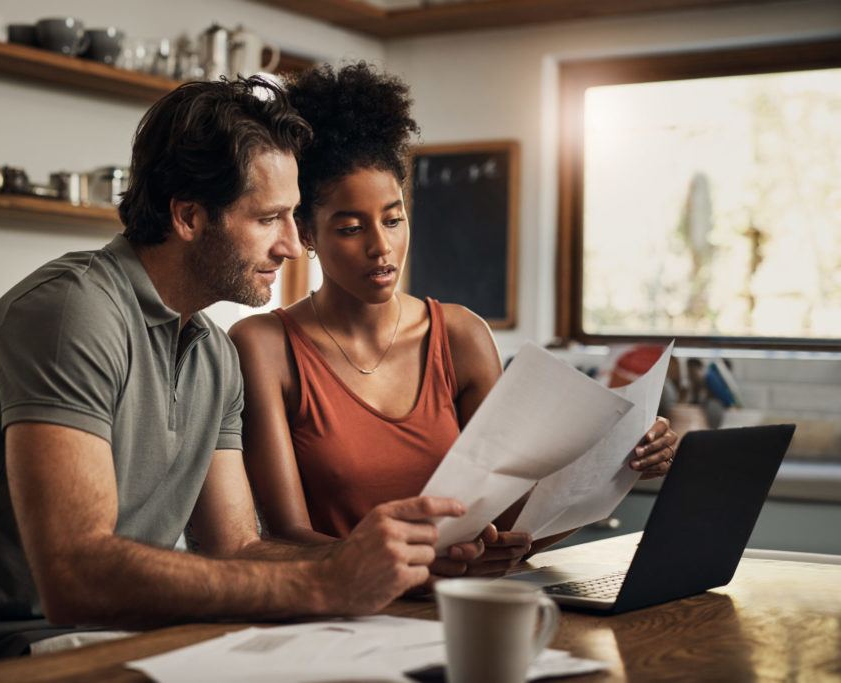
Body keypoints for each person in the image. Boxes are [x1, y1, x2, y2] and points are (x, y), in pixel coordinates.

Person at [0, 77, 480, 674]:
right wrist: (325, 585)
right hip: (8, 652)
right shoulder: (73, 313)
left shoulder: (212, 351)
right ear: (188, 215)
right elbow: (74, 575)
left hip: (129, 640)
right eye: (269, 219)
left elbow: (238, 548)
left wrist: (381, 563)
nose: (291, 245)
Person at [229, 63, 678, 580]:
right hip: (341, 616)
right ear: (305, 232)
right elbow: (286, 537)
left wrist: (620, 466)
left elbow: (512, 522)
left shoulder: (460, 336)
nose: (382, 247)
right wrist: (419, 565)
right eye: (351, 227)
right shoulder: (264, 346)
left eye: (394, 219)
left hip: (461, 608)